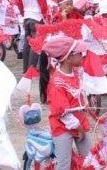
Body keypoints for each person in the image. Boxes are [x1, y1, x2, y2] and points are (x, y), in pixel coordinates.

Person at [41, 35, 92, 170]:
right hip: (62, 126)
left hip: (79, 121)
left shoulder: (76, 72)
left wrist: (85, 104)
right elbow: (62, 112)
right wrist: (78, 128)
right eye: (79, 53)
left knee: (91, 159)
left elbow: (80, 92)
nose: (82, 55)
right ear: (68, 58)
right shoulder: (57, 82)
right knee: (64, 164)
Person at [19, 0, 48, 85]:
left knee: (27, 44)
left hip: (26, 15)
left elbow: (19, 1)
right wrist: (45, 16)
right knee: (35, 45)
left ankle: (26, 69)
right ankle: (30, 71)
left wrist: (23, 13)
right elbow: (43, 3)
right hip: (37, 16)